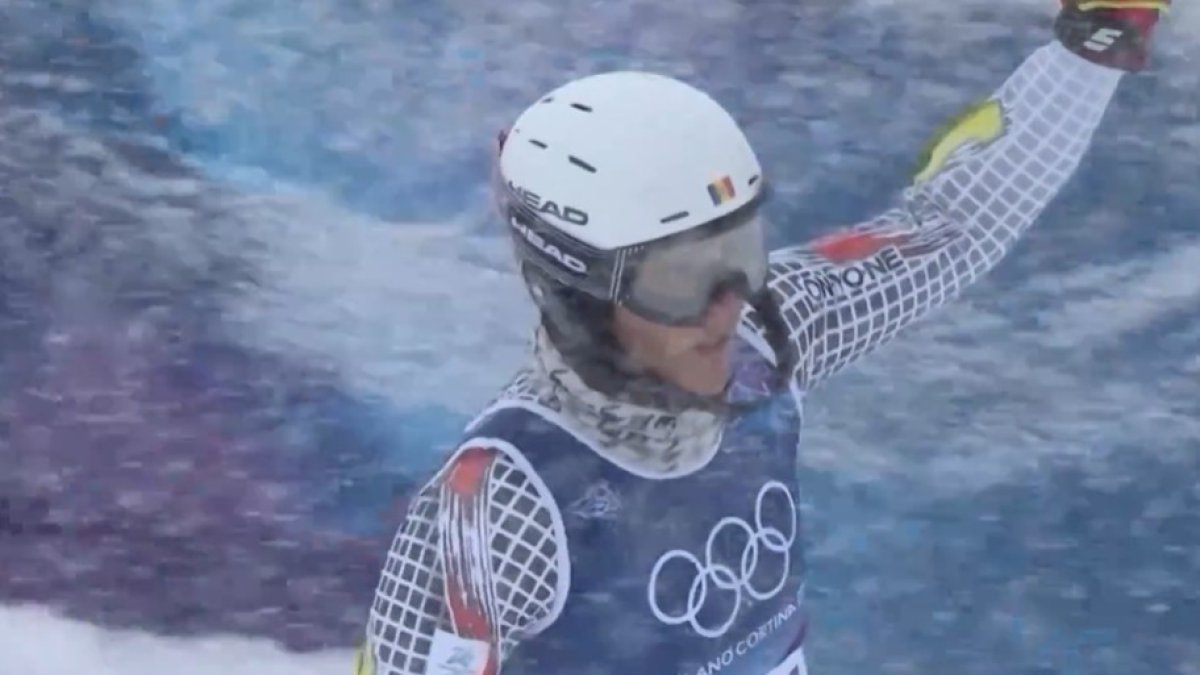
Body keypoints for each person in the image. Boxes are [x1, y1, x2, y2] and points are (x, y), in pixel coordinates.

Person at [355, 2, 1169, 673]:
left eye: (737, 254)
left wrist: (1099, 35)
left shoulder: (768, 342)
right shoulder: (499, 504)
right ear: (580, 296)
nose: (725, 310)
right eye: (682, 277)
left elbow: (953, 226)